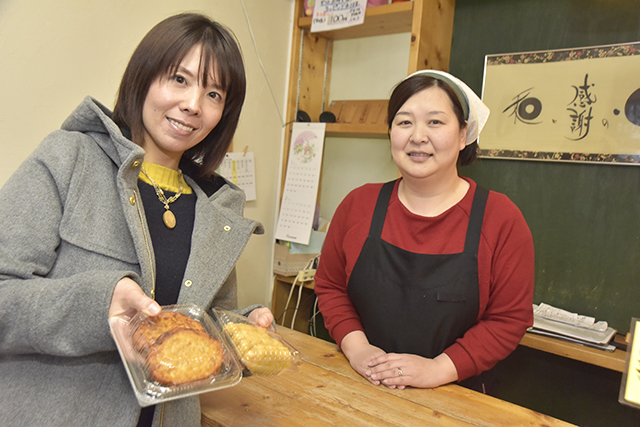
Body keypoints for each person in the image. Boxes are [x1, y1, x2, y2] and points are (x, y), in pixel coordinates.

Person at [0, 13, 273, 427]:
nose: (193, 105)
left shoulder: (217, 209)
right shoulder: (68, 159)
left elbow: (205, 324)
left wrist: (243, 331)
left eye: (214, 94)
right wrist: (98, 305)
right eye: (179, 79)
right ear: (143, 76)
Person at [314, 70, 534, 393]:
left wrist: (436, 369)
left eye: (435, 122)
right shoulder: (358, 205)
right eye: (404, 122)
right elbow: (330, 285)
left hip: (458, 399)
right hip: (362, 387)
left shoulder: (501, 219)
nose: (417, 136)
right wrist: (358, 348)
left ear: (463, 135)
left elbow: (508, 319)